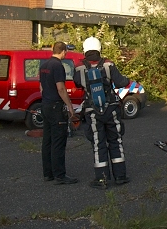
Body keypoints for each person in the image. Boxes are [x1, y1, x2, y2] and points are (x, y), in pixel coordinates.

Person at [74, 37, 132, 189]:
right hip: (111, 108)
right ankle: (120, 176)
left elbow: (77, 83)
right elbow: (121, 83)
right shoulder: (108, 64)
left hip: (92, 111)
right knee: (115, 140)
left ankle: (102, 179)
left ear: (85, 49)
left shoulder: (79, 67)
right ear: (99, 48)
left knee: (98, 143)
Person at [39, 41, 78, 185]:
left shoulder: (44, 66)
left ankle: (47, 173)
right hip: (56, 107)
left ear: (52, 50)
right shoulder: (58, 66)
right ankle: (60, 175)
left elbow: (41, 87)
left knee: (47, 140)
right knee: (58, 141)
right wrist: (69, 106)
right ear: (64, 51)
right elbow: (61, 88)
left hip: (46, 105)